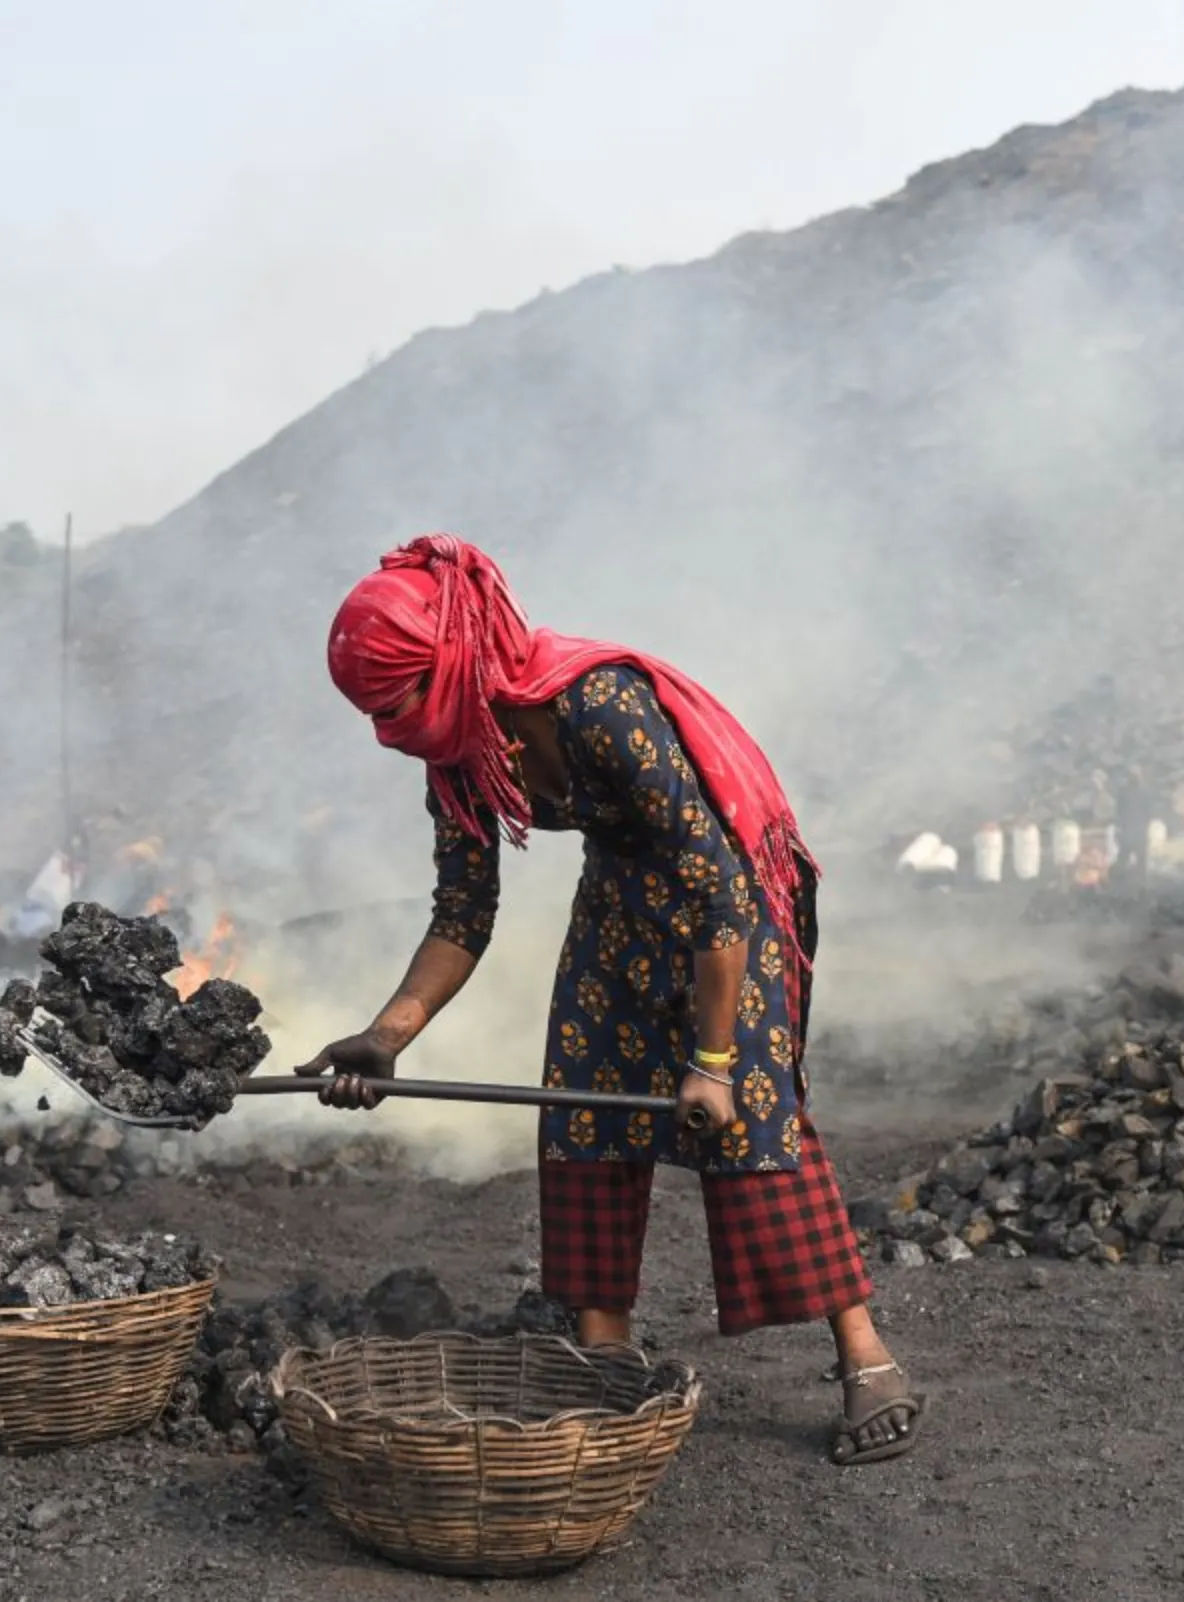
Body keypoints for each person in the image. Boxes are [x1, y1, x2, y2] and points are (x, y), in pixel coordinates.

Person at [301, 534, 925, 1465]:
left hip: (732, 898)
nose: (392, 728)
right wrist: (387, 1037)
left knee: (753, 1121)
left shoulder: (598, 704)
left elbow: (717, 891)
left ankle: (865, 1355)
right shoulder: (462, 754)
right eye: (375, 712)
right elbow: (462, 914)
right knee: (582, 1110)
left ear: (455, 658)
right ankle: (603, 1361)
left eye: (400, 700)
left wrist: (709, 1065)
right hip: (623, 895)